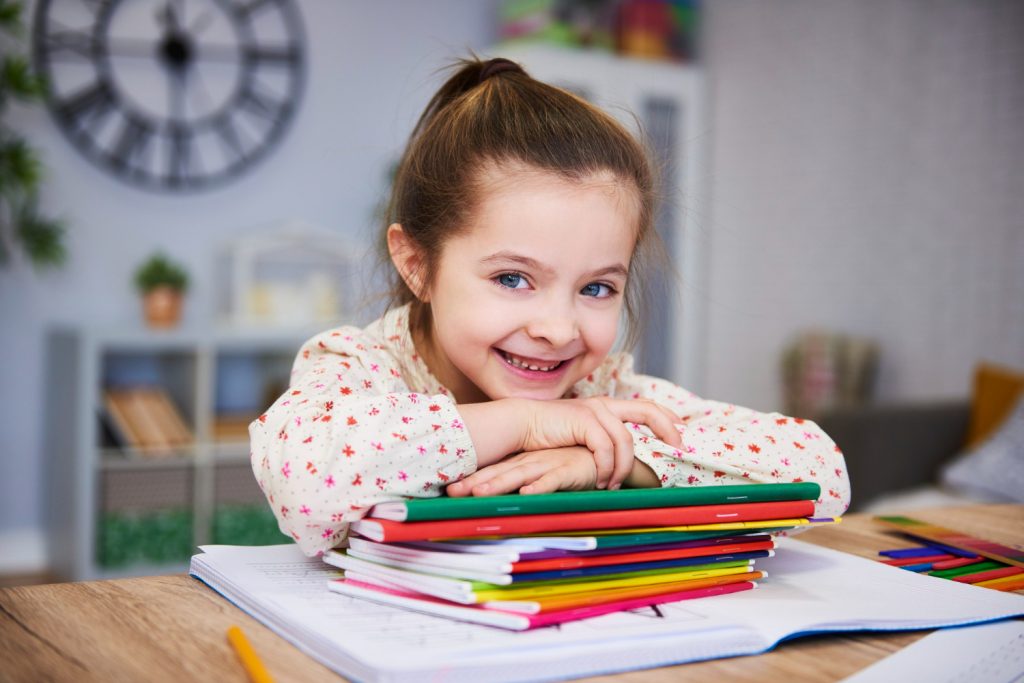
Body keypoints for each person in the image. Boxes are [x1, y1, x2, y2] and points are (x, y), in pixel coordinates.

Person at [250, 57, 851, 557]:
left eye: (596, 289)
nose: (558, 329)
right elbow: (301, 479)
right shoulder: (361, 365)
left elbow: (822, 475)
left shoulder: (603, 394)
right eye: (513, 278)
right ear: (417, 264)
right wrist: (527, 424)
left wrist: (617, 459)